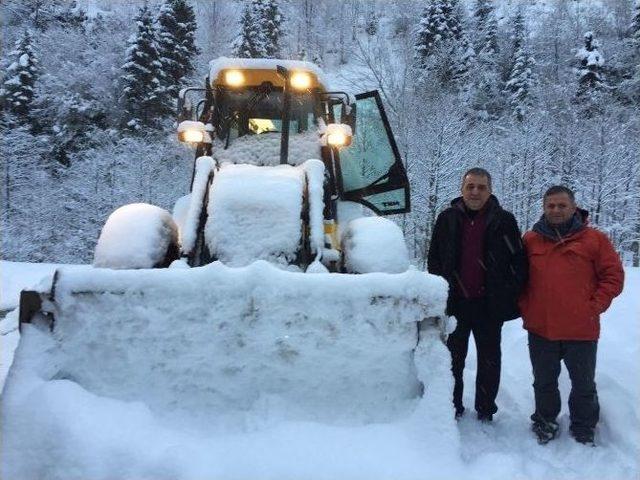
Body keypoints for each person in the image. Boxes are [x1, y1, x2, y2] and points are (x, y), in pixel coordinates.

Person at [519, 185, 624, 446]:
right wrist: (525, 305)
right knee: (544, 382)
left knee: (583, 384)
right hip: (541, 328)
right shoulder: (530, 240)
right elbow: (516, 278)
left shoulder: (594, 240)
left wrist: (594, 306)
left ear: (574, 208)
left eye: (561, 205)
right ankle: (545, 421)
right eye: (551, 205)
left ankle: (584, 426)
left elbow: (613, 276)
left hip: (581, 329)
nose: (556, 210)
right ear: (544, 208)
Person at [428, 167, 528, 422]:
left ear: (490, 190)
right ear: (462, 189)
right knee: (453, 361)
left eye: (481, 187)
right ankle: (453, 406)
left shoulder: (504, 220)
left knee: (489, 361)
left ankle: (485, 408)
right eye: (470, 186)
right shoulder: (447, 218)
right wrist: (440, 292)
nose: (475, 192)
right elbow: (435, 259)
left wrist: (507, 294)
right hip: (455, 305)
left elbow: (519, 262)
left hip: (488, 305)